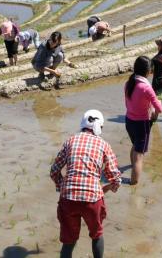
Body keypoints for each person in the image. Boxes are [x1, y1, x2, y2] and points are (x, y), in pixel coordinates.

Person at [50, 109, 121, 258]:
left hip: (68, 198)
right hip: (93, 200)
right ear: (100, 127)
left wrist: (62, 186)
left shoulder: (71, 141)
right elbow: (115, 178)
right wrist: (106, 188)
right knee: (96, 235)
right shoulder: (104, 145)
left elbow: (54, 171)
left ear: (82, 125)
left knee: (68, 241)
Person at [124, 56, 162, 185]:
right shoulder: (146, 87)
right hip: (141, 124)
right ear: (148, 71)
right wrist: (158, 102)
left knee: (135, 146)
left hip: (129, 120)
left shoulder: (128, 83)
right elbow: (159, 108)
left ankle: (133, 167)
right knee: (139, 156)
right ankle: (133, 183)